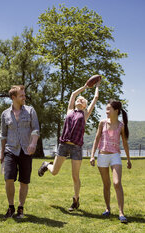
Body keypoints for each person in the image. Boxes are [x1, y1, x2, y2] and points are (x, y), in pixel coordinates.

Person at [38, 77, 100, 211]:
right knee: (54, 172)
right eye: (79, 99)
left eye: (82, 100)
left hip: (77, 147)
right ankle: (46, 165)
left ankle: (76, 200)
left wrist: (96, 85)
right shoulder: (70, 111)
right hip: (64, 144)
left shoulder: (85, 113)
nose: (79, 99)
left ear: (85, 105)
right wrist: (84, 86)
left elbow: (95, 98)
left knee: (75, 176)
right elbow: (73, 94)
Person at [0, 85, 40, 219]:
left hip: (26, 151)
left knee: (24, 181)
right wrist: (1, 153)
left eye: (24, 95)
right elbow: (3, 135)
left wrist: (33, 143)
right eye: (21, 95)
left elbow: (35, 130)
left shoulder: (30, 111)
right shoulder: (5, 114)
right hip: (10, 150)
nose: (24, 97)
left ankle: (20, 208)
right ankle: (11, 207)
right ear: (14, 97)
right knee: (8, 179)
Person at [89, 100, 132, 223]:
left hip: (115, 156)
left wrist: (128, 159)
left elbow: (124, 143)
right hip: (102, 155)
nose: (106, 111)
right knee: (106, 184)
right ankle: (107, 209)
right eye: (106, 109)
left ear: (116, 111)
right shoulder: (102, 123)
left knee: (117, 183)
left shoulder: (121, 126)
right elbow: (96, 139)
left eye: (109, 109)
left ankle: (121, 213)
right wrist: (92, 155)